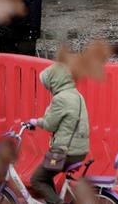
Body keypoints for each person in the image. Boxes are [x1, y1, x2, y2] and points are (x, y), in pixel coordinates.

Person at [29, 62, 89, 204]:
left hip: (65, 153)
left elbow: (50, 125)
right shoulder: (77, 95)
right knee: (46, 176)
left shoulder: (61, 98)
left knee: (36, 179)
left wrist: (35, 122)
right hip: (80, 151)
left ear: (54, 81)